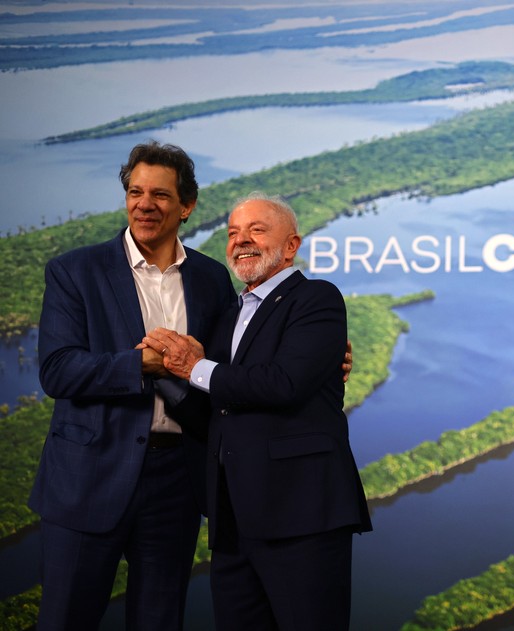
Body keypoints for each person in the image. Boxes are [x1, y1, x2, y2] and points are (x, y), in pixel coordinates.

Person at [29, 141, 238, 631]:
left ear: (186, 206)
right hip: (87, 477)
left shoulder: (211, 278)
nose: (145, 204)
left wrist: (320, 356)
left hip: (176, 483)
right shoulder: (75, 271)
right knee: (64, 621)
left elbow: (234, 364)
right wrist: (144, 365)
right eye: (136, 192)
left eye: (161, 195)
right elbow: (57, 370)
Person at [143, 192, 372, 631]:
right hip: (232, 520)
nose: (241, 240)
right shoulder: (230, 314)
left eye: (256, 230)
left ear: (291, 246)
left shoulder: (316, 299)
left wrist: (195, 366)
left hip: (300, 515)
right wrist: (161, 371)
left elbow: (283, 384)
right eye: (232, 233)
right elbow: (217, 410)